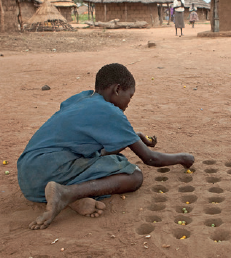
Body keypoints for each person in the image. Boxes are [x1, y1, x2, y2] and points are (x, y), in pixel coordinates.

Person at [18, 63, 195, 230]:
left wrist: (134, 138)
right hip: (52, 169)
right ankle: (67, 193)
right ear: (117, 89)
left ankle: (71, 197)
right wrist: (183, 158)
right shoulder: (111, 112)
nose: (129, 102)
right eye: (130, 96)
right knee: (133, 174)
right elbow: (150, 158)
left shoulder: (82, 98)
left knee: (109, 159)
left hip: (30, 178)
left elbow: (98, 152)